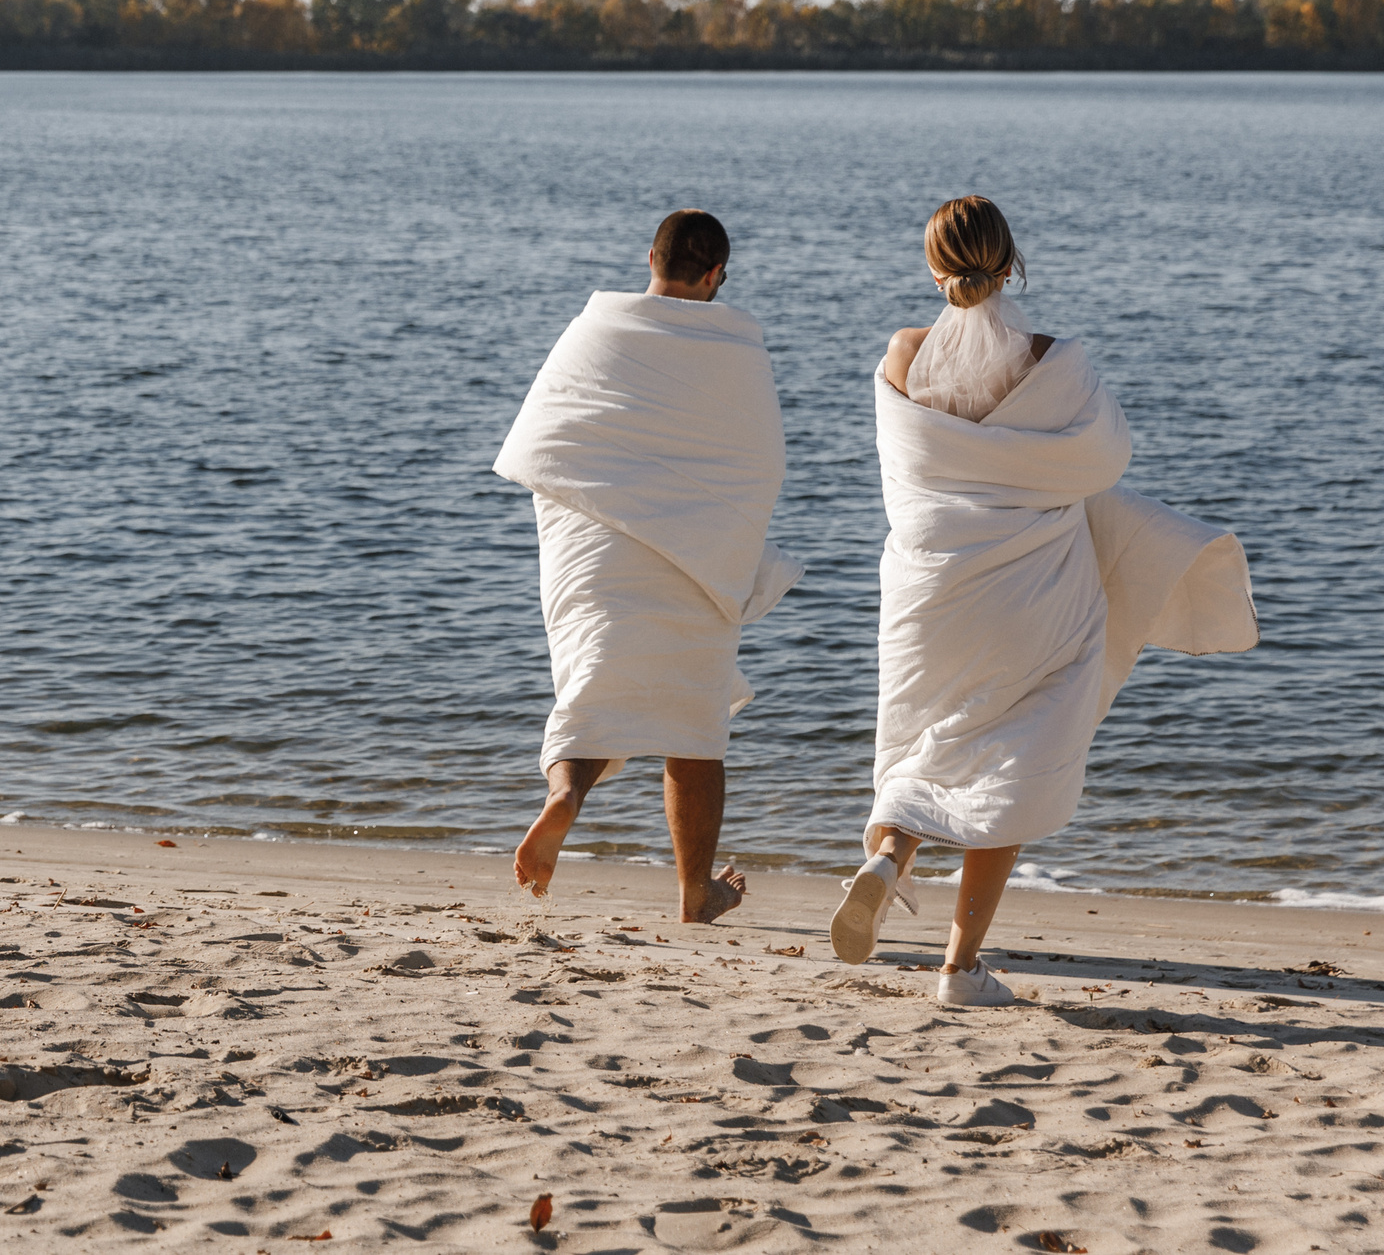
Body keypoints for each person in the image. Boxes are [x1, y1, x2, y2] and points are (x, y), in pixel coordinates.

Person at [831, 196, 1258, 1006]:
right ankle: (959, 968)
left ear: (931, 269)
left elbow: (907, 469)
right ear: (1012, 264)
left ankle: (888, 857)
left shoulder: (903, 354)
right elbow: (1105, 460)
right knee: (1015, 764)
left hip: (929, 590)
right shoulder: (1056, 365)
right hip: (1032, 592)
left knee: (928, 738)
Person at [494, 209, 802, 924]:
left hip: (592, 533)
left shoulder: (595, 329)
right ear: (716, 273)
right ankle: (696, 890)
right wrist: (720, 530)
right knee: (693, 721)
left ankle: (565, 794)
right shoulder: (736, 349)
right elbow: (759, 462)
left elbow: (549, 435)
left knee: (591, 685)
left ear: (651, 259)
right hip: (697, 546)